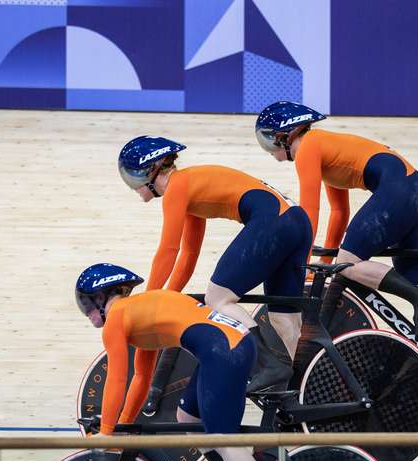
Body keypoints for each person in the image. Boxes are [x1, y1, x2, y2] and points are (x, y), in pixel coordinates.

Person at [75, 262, 277, 461]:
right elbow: (141, 378)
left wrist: (106, 433)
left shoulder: (118, 317)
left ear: (102, 297)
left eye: (87, 303)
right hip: (226, 344)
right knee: (188, 419)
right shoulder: (138, 311)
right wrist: (125, 426)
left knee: (220, 438)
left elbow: (117, 379)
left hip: (222, 348)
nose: (88, 311)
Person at [117, 136, 312, 391]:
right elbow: (188, 255)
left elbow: (168, 250)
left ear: (151, 170)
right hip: (296, 221)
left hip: (274, 223)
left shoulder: (177, 187)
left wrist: (149, 298)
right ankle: (302, 390)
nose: (132, 185)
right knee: (284, 320)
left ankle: (268, 366)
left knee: (218, 300)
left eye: (133, 176)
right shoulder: (189, 186)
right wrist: (166, 296)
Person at [255, 101, 418, 340]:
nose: (271, 153)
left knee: (348, 263)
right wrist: (325, 261)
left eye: (268, 142)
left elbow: (308, 213)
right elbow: (339, 212)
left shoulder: (308, 148)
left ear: (284, 135)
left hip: (400, 192)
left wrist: (300, 262)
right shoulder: (323, 147)